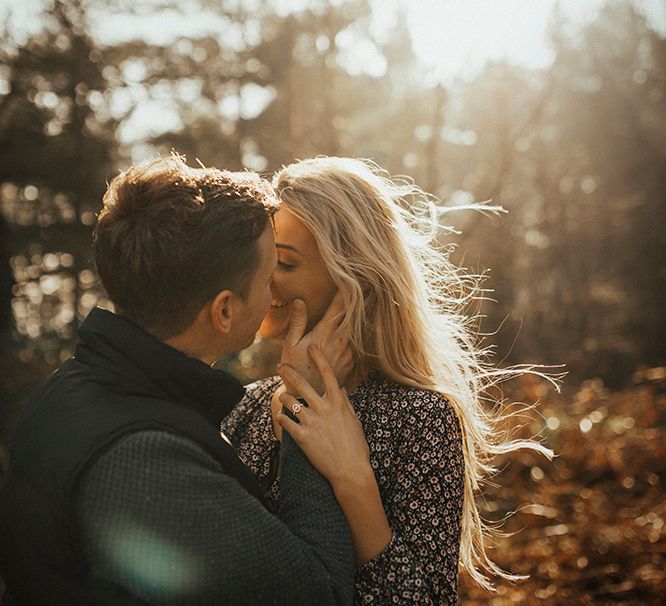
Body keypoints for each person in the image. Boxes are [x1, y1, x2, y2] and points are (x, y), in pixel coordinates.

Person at [0, 155, 359, 605]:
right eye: (269, 276)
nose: (275, 295)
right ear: (224, 310)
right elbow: (319, 594)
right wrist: (302, 408)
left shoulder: (71, 385)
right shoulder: (146, 460)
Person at [221, 156, 553, 605]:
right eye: (260, 261)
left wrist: (353, 477)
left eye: (283, 262)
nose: (263, 279)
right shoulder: (245, 408)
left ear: (352, 276)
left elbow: (421, 599)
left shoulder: (423, 419)